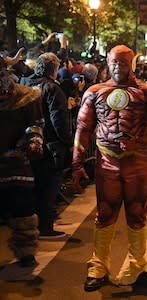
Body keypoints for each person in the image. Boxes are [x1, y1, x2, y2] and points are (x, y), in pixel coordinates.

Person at [71, 45, 147, 292]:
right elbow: (83, 129)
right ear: (108, 62)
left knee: (137, 213)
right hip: (107, 160)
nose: (119, 66)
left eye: (124, 62)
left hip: (138, 161)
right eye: (115, 62)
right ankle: (98, 267)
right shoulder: (94, 92)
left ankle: (137, 266)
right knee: (104, 213)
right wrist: (76, 163)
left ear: (132, 64)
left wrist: (139, 141)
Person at [23, 52, 72, 239]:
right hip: (50, 147)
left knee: (32, 187)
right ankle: (45, 227)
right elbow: (59, 121)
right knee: (49, 187)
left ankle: (30, 227)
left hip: (27, 143)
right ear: (54, 69)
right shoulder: (53, 89)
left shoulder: (24, 84)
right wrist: (69, 143)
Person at [0, 57, 43, 268]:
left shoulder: (25, 97)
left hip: (16, 162)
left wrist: (33, 140)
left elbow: (34, 125)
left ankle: (26, 251)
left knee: (23, 208)